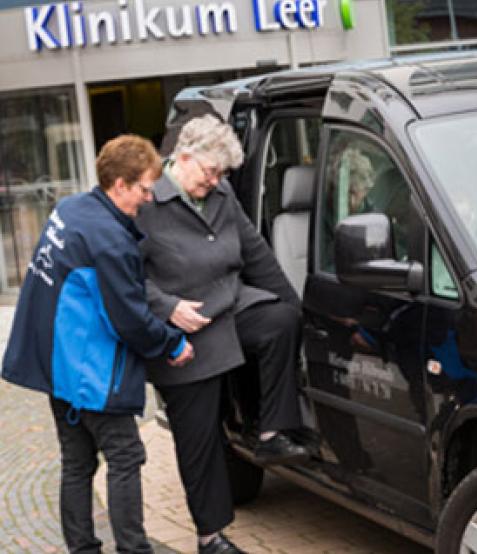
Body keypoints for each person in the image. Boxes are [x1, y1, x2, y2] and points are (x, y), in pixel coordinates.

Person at [2, 135, 194, 554]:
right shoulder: (109, 238)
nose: (147, 199)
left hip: (57, 370)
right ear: (119, 185)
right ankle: (133, 550)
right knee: (125, 458)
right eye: (144, 188)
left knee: (77, 463)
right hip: (90, 372)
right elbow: (129, 320)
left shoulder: (70, 209)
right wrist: (172, 344)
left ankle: (82, 549)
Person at [137, 115, 307, 554]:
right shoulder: (145, 199)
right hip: (182, 329)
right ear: (184, 156)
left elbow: (254, 251)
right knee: (201, 439)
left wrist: (292, 304)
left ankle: (271, 435)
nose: (215, 181)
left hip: (229, 306)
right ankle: (210, 536)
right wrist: (166, 307)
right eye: (209, 172)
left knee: (280, 322)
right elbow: (123, 275)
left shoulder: (220, 190)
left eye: (221, 174)